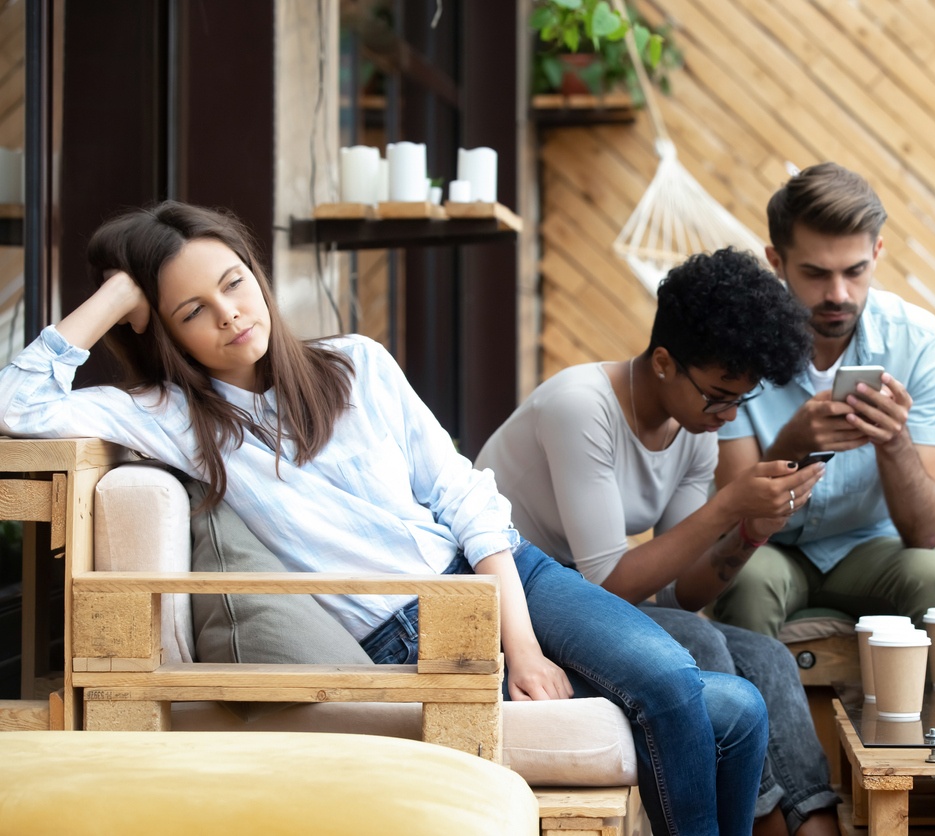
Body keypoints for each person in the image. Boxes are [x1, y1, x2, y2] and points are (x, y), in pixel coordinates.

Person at [0, 201, 770, 836]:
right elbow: (18, 405)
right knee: (727, 709)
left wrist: (524, 649)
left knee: (694, 685)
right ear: (164, 331)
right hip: (414, 626)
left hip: (508, 575)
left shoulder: (359, 365)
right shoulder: (170, 417)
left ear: (258, 276)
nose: (231, 316)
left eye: (235, 284)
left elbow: (465, 497)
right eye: (193, 311)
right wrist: (117, 297)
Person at [476, 248, 838, 836]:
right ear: (665, 362)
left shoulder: (692, 426)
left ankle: (815, 824)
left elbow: (676, 593)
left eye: (740, 399)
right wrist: (727, 505)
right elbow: (606, 585)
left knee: (766, 656)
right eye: (719, 394)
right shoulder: (581, 406)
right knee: (703, 645)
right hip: (520, 596)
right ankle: (749, 822)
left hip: (587, 604)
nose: (728, 414)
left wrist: (747, 533)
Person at [710, 163, 935, 639]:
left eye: (856, 271)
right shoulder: (738, 343)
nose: (838, 294)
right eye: (815, 274)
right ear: (776, 261)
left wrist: (894, 442)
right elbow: (731, 520)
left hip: (868, 552)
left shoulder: (918, 340)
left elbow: (926, 534)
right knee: (746, 580)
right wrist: (793, 443)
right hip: (768, 548)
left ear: (877, 252)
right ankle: (757, 718)